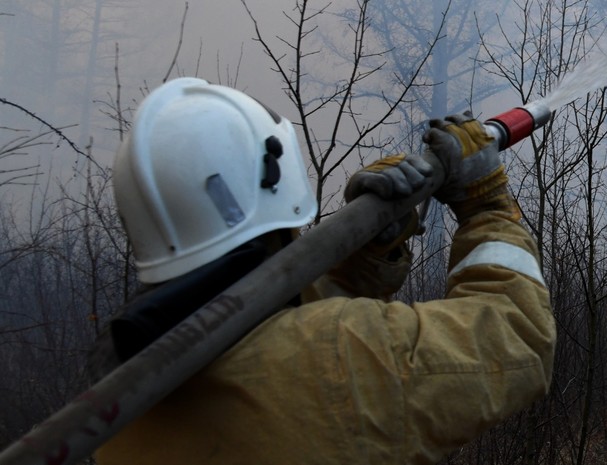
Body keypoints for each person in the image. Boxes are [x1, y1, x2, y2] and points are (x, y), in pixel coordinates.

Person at [94, 77, 556, 465]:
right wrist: (486, 205)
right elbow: (518, 336)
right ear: (276, 178)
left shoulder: (122, 394)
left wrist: (369, 247)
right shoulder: (339, 352)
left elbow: (277, 335)